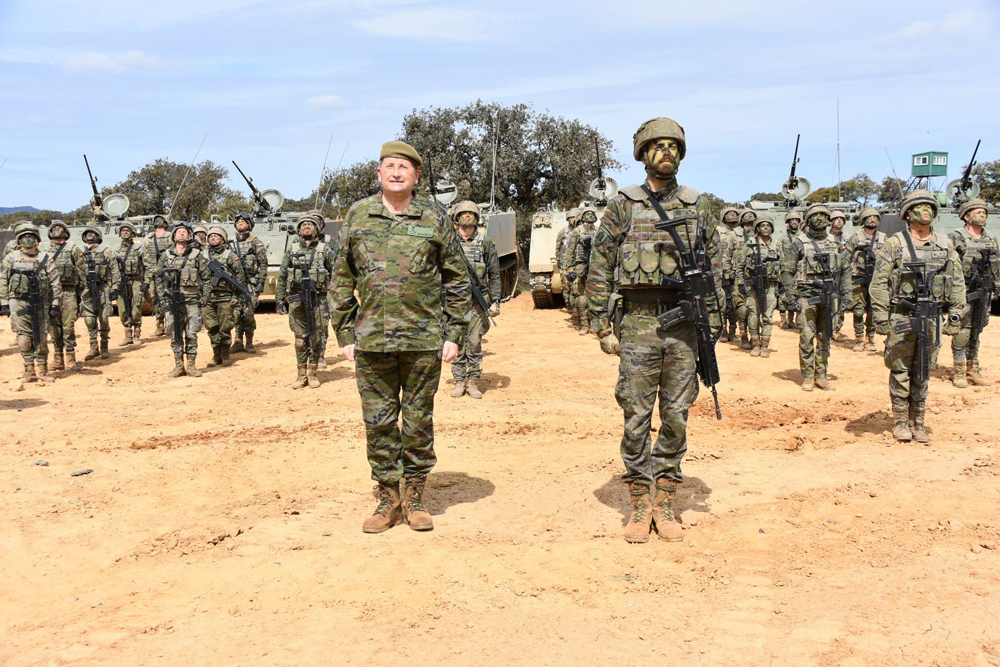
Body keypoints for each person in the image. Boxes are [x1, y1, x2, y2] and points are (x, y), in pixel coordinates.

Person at [587, 117, 723, 544]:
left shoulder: (698, 204)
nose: (665, 152)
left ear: (680, 155)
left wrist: (712, 322)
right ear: (643, 154)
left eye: (673, 146)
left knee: (677, 416)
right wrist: (600, 324)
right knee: (636, 416)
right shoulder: (624, 204)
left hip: (684, 325)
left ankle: (665, 500)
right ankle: (639, 500)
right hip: (639, 323)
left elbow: (714, 264)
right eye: (657, 146)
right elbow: (600, 263)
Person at [331, 141, 471, 534]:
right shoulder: (358, 215)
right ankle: (388, 497)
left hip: (423, 338)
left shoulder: (434, 216)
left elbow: (457, 278)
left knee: (417, 421)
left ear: (416, 176)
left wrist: (454, 331)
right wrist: (344, 329)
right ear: (379, 174)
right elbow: (341, 277)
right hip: (371, 339)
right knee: (378, 422)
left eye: (404, 168)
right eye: (389, 166)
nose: (396, 173)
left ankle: (415, 495)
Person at [870, 190, 965, 442]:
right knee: (900, 368)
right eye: (919, 207)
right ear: (907, 214)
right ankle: (901, 420)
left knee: (924, 369)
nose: (925, 211)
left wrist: (955, 314)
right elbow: (878, 283)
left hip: (931, 317)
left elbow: (957, 282)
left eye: (929, 207)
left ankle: (918, 421)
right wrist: (881, 317)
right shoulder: (895, 243)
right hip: (902, 316)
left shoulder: (945, 244)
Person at [783, 204, 850, 391]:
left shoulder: (836, 242)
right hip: (806, 295)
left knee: (825, 336)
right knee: (806, 336)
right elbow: (787, 272)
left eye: (823, 215)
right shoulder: (798, 242)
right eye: (815, 215)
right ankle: (808, 375)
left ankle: (821, 374)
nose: (819, 218)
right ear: (808, 219)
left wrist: (846, 295)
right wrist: (791, 297)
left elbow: (845, 271)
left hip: (829, 295)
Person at [276, 211, 337, 389]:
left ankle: (313, 374)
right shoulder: (292, 249)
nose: (307, 227)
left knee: (316, 338)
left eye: (310, 225)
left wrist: (335, 300)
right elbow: (281, 276)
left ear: (317, 230)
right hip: (297, 300)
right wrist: (280, 299)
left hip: (319, 299)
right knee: (300, 340)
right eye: (303, 225)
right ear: (299, 230)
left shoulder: (325, 250)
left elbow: (336, 276)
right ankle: (301, 375)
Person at [449, 200, 501, 398]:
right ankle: (459, 380)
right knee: (456, 340)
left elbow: (494, 274)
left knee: (474, 341)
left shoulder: (485, 242)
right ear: (457, 218)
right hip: (453, 301)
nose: (467, 217)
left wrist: (496, 300)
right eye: (464, 214)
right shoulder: (450, 242)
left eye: (471, 214)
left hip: (478, 302)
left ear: (477, 219)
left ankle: (473, 381)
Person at [0, 224, 62, 382]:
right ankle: (29, 370)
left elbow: (55, 283)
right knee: (24, 337)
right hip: (19, 302)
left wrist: (55, 304)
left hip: (41, 302)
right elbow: (3, 281)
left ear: (37, 239)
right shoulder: (11, 258)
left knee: (41, 337)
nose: (28, 239)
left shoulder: (45, 258)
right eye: (24, 237)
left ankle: (43, 370)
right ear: (19, 240)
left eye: (31, 236)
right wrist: (4, 302)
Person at [949, 198, 998, 388]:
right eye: (978, 212)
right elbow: (950, 265)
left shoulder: (990, 238)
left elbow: (996, 264)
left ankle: (973, 368)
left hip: (984, 290)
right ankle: (959, 370)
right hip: (965, 290)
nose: (983, 215)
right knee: (962, 328)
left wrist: (997, 285)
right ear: (967, 216)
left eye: (984, 212)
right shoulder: (957, 237)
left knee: (978, 327)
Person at [154, 222, 212, 378]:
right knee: (175, 334)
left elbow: (206, 278)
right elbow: (158, 276)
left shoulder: (196, 255)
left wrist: (204, 297)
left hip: (192, 301)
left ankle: (191, 366)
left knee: (192, 334)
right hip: (172, 302)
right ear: (173, 236)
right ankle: (178, 366)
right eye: (178, 231)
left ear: (189, 236)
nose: (181, 233)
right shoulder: (165, 256)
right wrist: (162, 297)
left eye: (184, 231)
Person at [735, 215, 783, 357]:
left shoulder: (776, 244)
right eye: (762, 225)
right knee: (753, 314)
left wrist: (781, 284)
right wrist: (740, 283)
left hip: (770, 285)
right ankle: (755, 343)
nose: (766, 228)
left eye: (768, 225)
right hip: (753, 285)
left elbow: (783, 265)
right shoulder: (750, 243)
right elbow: (740, 265)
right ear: (757, 228)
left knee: (768, 316)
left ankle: (765, 344)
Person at [203, 226, 247, 368]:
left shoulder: (230, 255)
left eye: (216, 237)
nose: (213, 239)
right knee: (212, 327)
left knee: (225, 327)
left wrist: (236, 297)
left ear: (222, 240)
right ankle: (216, 355)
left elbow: (240, 278)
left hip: (225, 297)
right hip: (208, 297)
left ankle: (225, 355)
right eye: (211, 237)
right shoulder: (202, 255)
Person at [45, 221, 85, 371]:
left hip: (69, 292)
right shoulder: (45, 250)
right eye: (54, 228)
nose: (57, 230)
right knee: (53, 328)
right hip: (51, 294)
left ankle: (70, 359)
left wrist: (79, 293)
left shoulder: (73, 249)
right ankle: (57, 359)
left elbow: (81, 270)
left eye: (60, 228)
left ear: (66, 232)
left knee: (68, 327)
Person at [845, 207, 886, 352]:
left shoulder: (883, 238)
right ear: (863, 220)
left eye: (875, 217)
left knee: (873, 311)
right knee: (858, 310)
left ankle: (871, 339)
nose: (873, 219)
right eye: (869, 217)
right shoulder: (856, 237)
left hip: (876, 279)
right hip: (858, 278)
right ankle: (859, 339)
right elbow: (846, 258)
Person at [231, 211, 268, 354]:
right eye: (238, 221)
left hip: (250, 283)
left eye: (243, 221)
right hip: (234, 283)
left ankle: (250, 342)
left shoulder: (255, 242)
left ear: (249, 225)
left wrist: (260, 282)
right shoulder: (231, 243)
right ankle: (238, 341)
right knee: (235, 313)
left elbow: (263, 264)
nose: (240, 223)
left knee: (248, 313)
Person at [80, 227, 114, 361]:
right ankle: (93, 347)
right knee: (89, 319)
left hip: (102, 287)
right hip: (87, 288)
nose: (90, 236)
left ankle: (104, 346)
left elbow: (115, 269)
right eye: (88, 234)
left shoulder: (106, 252)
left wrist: (115, 288)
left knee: (104, 318)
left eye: (93, 234)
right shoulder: (81, 253)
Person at [112, 222, 146, 347]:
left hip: (136, 280)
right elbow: (112, 267)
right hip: (121, 282)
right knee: (123, 309)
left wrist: (146, 281)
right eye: (123, 231)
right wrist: (114, 284)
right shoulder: (116, 250)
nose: (125, 232)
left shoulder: (138, 248)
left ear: (132, 233)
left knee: (136, 307)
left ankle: (137, 334)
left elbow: (147, 264)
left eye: (127, 230)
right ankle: (128, 335)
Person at [571, 206, 598, 335]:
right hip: (582, 266)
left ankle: (588, 325)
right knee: (584, 296)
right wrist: (569, 268)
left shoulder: (579, 231)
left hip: (593, 266)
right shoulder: (578, 231)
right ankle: (586, 324)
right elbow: (570, 251)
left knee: (588, 297)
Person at [144, 215, 172, 336]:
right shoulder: (148, 238)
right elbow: (146, 256)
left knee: (169, 297)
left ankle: (171, 325)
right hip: (154, 273)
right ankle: (160, 325)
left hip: (167, 272)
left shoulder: (170, 236)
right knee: (156, 299)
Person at [717, 206, 741, 342]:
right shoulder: (718, 232)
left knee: (735, 304)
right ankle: (723, 331)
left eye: (734, 214)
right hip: (722, 273)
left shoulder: (741, 233)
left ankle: (733, 331)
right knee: (723, 302)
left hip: (737, 273)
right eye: (729, 214)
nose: (732, 216)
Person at [780, 210, 803, 330]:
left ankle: (792, 319)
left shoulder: (803, 235)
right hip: (785, 268)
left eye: (796, 220)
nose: (794, 222)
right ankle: (783, 319)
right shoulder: (782, 236)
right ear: (788, 222)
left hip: (799, 269)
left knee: (798, 293)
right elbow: (779, 251)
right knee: (784, 294)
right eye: (792, 220)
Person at [829, 210, 849, 341]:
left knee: (841, 303)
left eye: (841, 218)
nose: (839, 220)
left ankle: (837, 329)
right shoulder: (826, 237)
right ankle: (829, 330)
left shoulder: (847, 238)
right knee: (830, 303)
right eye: (836, 218)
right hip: (829, 275)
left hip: (843, 274)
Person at [560, 208, 581, 318]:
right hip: (566, 265)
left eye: (573, 217)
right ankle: (570, 308)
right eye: (570, 218)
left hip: (581, 265)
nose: (571, 220)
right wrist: (559, 261)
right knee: (567, 288)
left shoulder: (583, 230)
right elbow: (558, 246)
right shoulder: (564, 232)